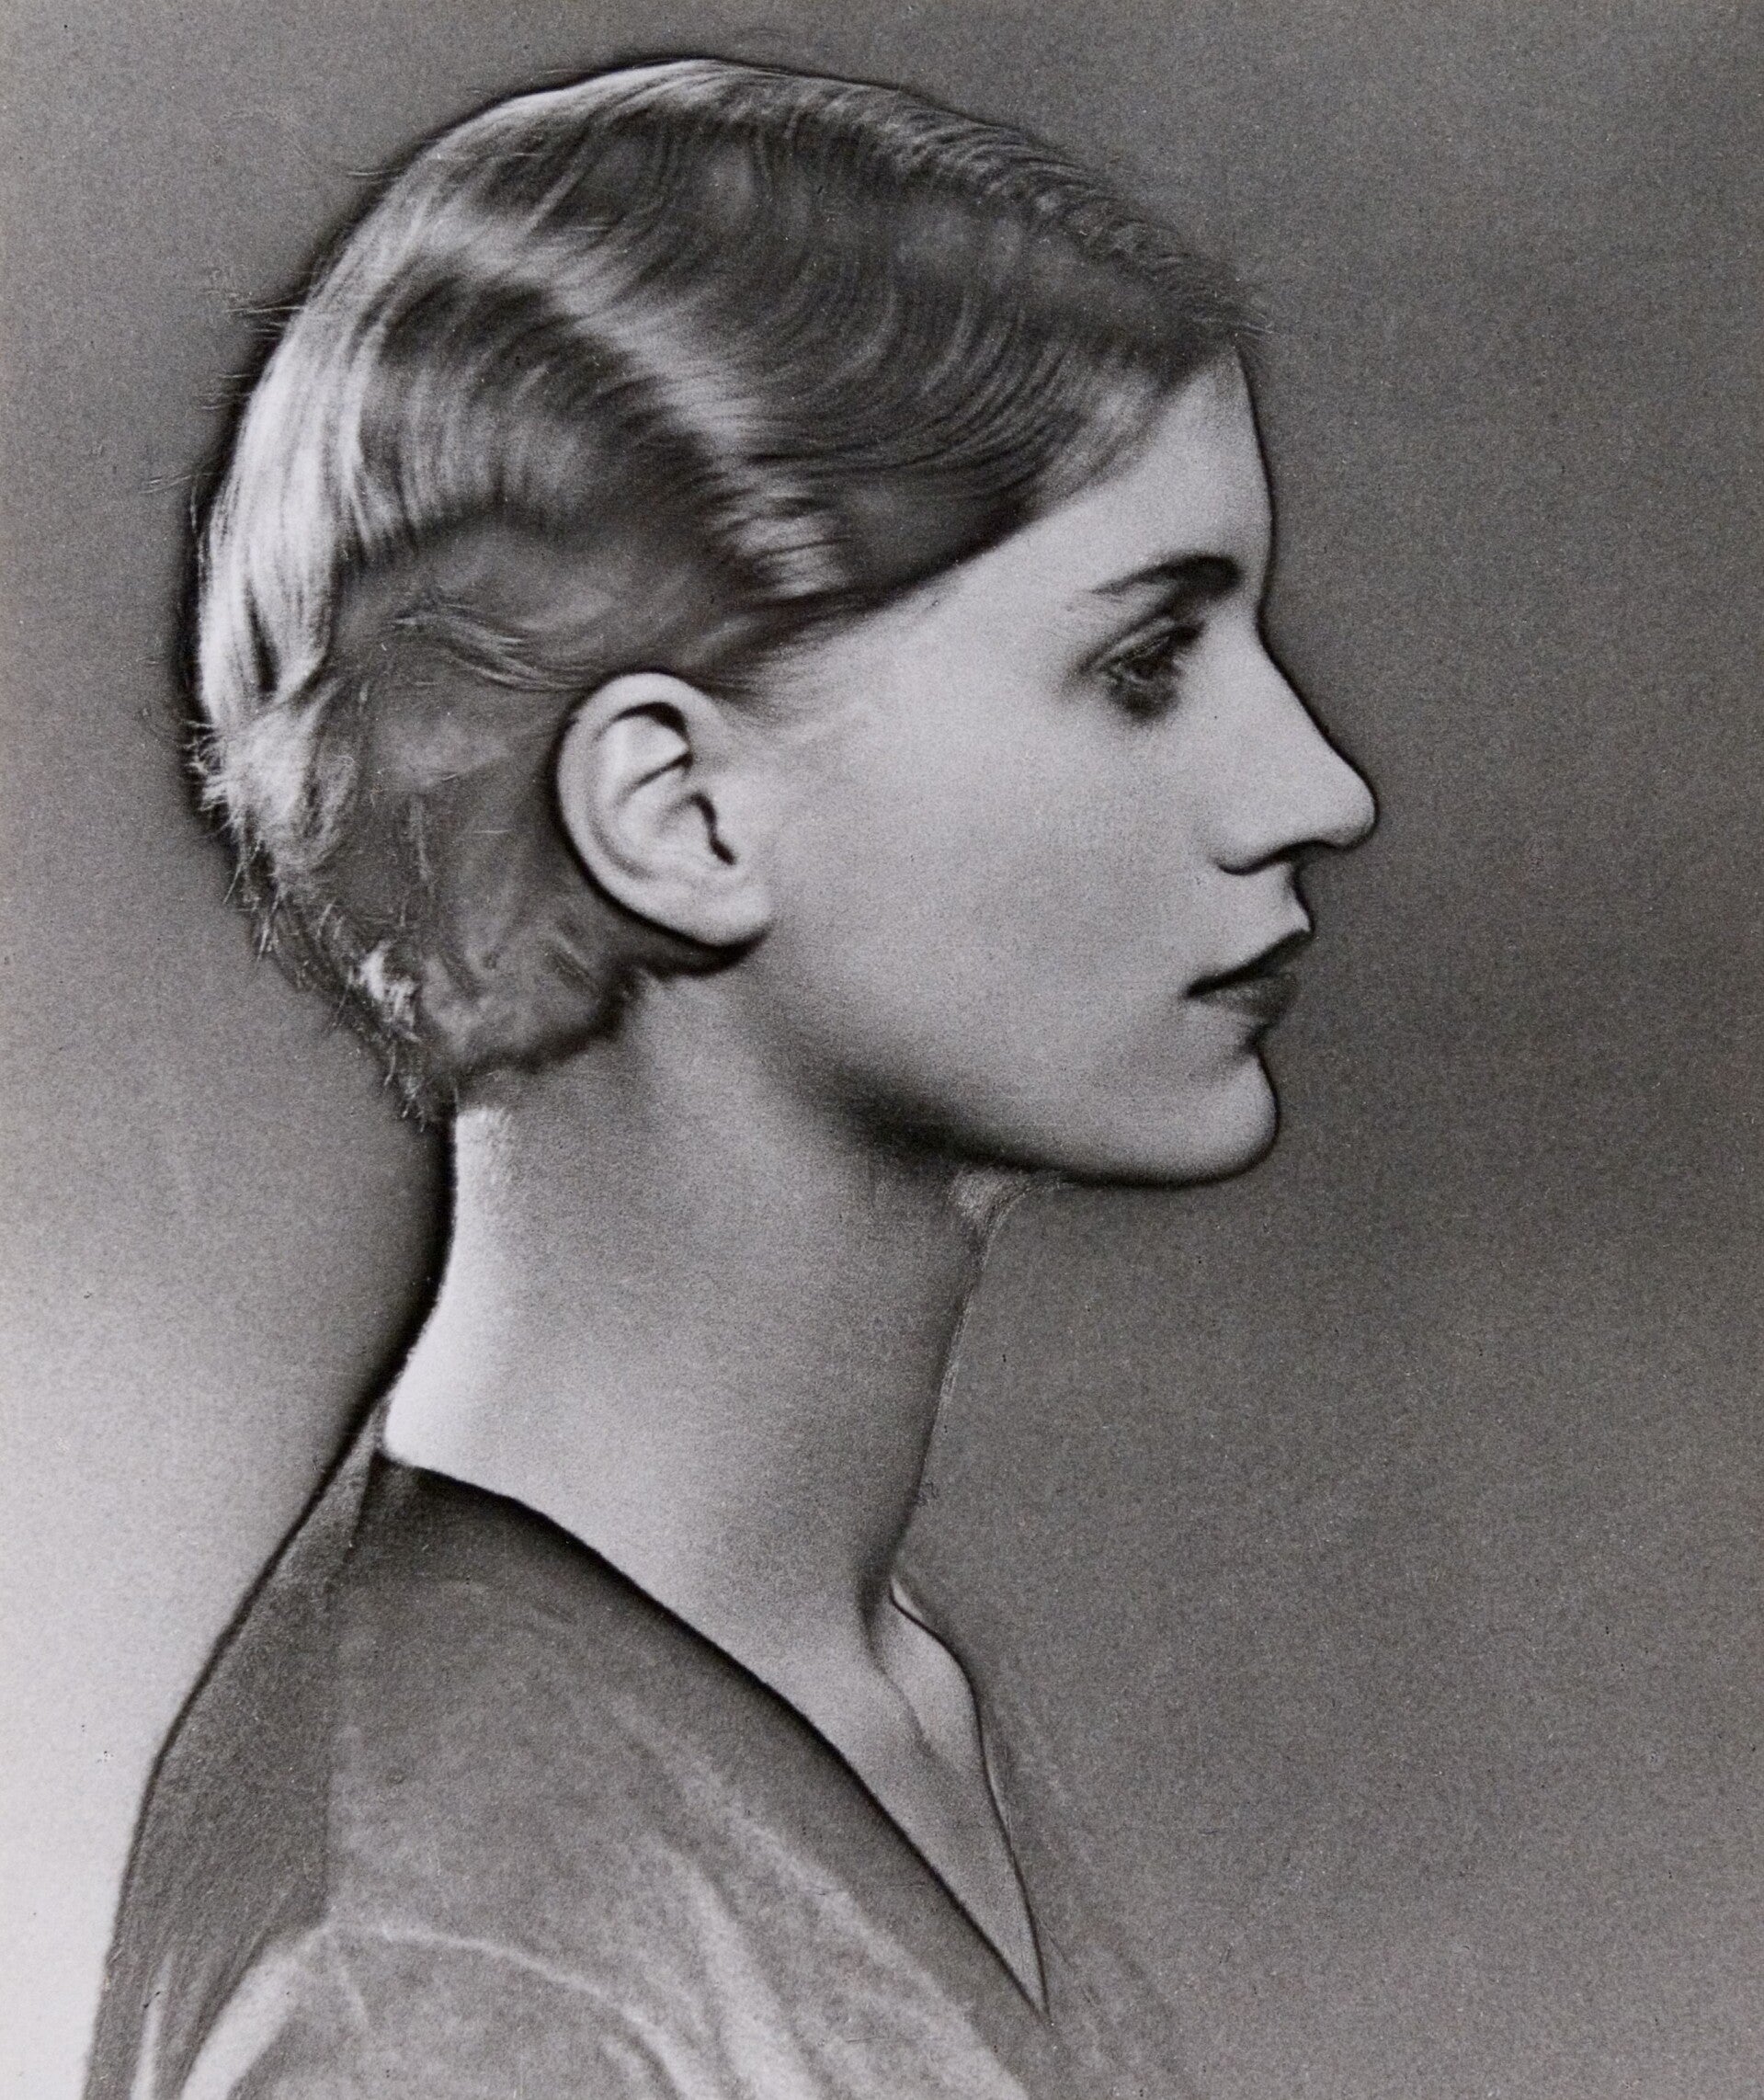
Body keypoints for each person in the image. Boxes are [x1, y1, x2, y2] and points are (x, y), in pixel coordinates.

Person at [85, 56, 1375, 2100]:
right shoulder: (448, 1972)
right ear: (678, 813)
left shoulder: (841, 1682)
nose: (1319, 787)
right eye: (1143, 665)